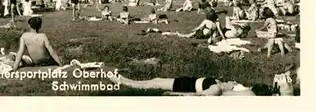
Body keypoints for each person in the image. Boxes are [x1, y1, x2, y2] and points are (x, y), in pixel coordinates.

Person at [109, 74, 257, 96]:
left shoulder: (216, 89)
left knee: (151, 84)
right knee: (155, 79)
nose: (234, 81)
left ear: (231, 88)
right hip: (182, 81)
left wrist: (174, 94)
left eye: (235, 83)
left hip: (181, 86)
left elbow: (197, 95)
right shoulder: (218, 84)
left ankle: (123, 81)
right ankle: (126, 80)